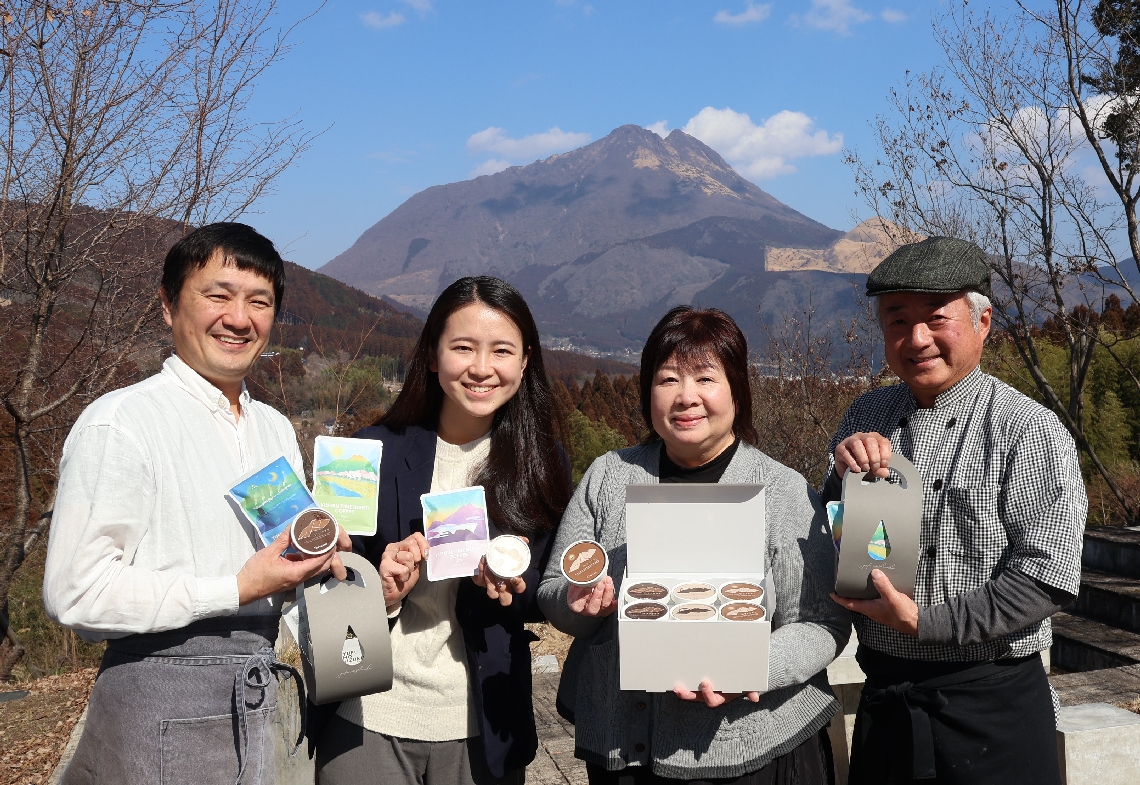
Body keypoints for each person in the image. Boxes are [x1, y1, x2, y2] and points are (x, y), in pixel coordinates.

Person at [43, 222, 350, 784]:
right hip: (155, 703)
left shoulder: (274, 428)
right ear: (167, 305)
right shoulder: (123, 423)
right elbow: (75, 592)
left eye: (259, 301)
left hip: (259, 698)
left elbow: (277, 575)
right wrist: (234, 588)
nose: (239, 318)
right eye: (217, 295)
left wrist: (334, 574)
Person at [537, 306, 850, 785]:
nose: (686, 398)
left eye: (706, 378)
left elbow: (822, 624)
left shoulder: (781, 490)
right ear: (647, 393)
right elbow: (556, 590)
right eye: (667, 380)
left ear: (737, 393)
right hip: (625, 748)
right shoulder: (608, 476)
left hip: (750, 749)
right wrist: (578, 603)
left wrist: (753, 668)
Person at [823, 237, 1085, 785]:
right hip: (887, 698)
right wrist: (838, 480)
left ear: (983, 320)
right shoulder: (868, 413)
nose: (916, 339)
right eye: (897, 321)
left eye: (936, 318)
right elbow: (836, 544)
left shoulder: (1026, 428)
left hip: (993, 700)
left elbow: (1046, 579)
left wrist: (925, 623)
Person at [314, 276, 573, 785]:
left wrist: (511, 586)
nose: (482, 368)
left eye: (501, 350)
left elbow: (543, 591)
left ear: (525, 362)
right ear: (432, 356)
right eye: (462, 348)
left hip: (481, 720)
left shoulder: (542, 464)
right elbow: (321, 579)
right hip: (367, 716)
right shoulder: (367, 454)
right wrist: (378, 589)